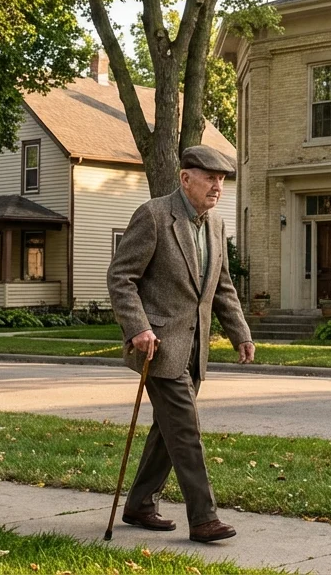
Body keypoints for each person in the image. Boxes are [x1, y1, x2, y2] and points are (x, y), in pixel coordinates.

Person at [107, 145, 255, 543]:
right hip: (157, 348)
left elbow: (221, 287)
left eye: (222, 179)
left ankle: (140, 504)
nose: (217, 186)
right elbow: (121, 277)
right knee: (185, 430)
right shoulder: (154, 215)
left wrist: (239, 332)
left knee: (166, 430)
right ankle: (204, 518)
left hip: (196, 348)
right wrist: (137, 327)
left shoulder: (216, 225)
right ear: (185, 178)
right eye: (209, 178)